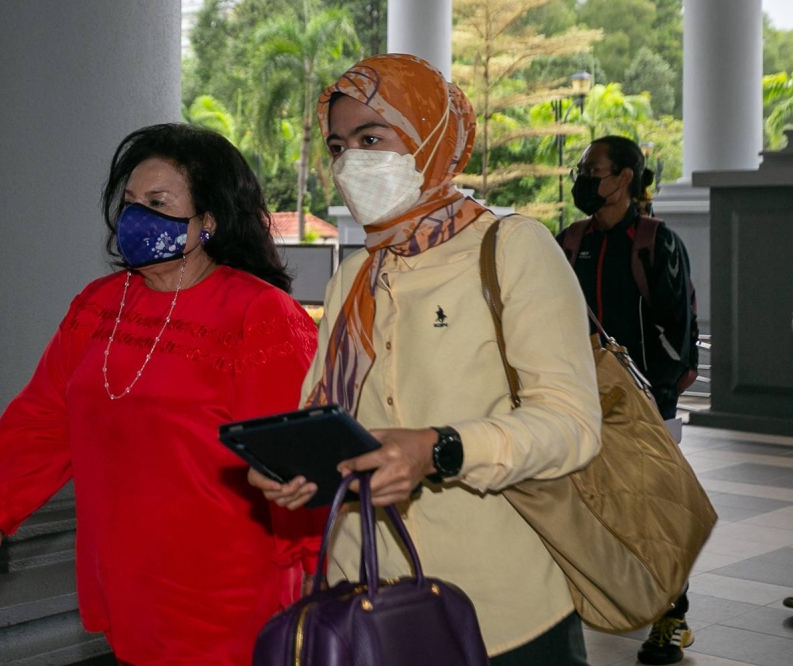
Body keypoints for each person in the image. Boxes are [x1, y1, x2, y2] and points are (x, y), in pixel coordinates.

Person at [250, 53, 602, 665]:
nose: (350, 162)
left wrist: (438, 448)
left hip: (502, 612)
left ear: (430, 134)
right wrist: (293, 467)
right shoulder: (355, 273)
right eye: (338, 146)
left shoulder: (513, 248)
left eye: (371, 137)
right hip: (363, 598)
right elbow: (322, 412)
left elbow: (571, 425)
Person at [0, 123, 322, 665]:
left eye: (157, 201)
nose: (136, 215)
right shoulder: (98, 305)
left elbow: (292, 461)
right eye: (129, 201)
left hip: (228, 585)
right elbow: (44, 417)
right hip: (126, 575)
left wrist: (315, 568)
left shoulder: (259, 314)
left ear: (209, 221)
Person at [556, 135, 699, 666]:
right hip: (580, 400)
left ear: (625, 179)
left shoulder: (654, 243)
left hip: (641, 403)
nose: (584, 179)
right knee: (587, 505)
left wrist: (655, 396)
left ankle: (671, 618)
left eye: (594, 170)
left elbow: (678, 333)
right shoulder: (570, 240)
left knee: (652, 513)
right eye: (583, 169)